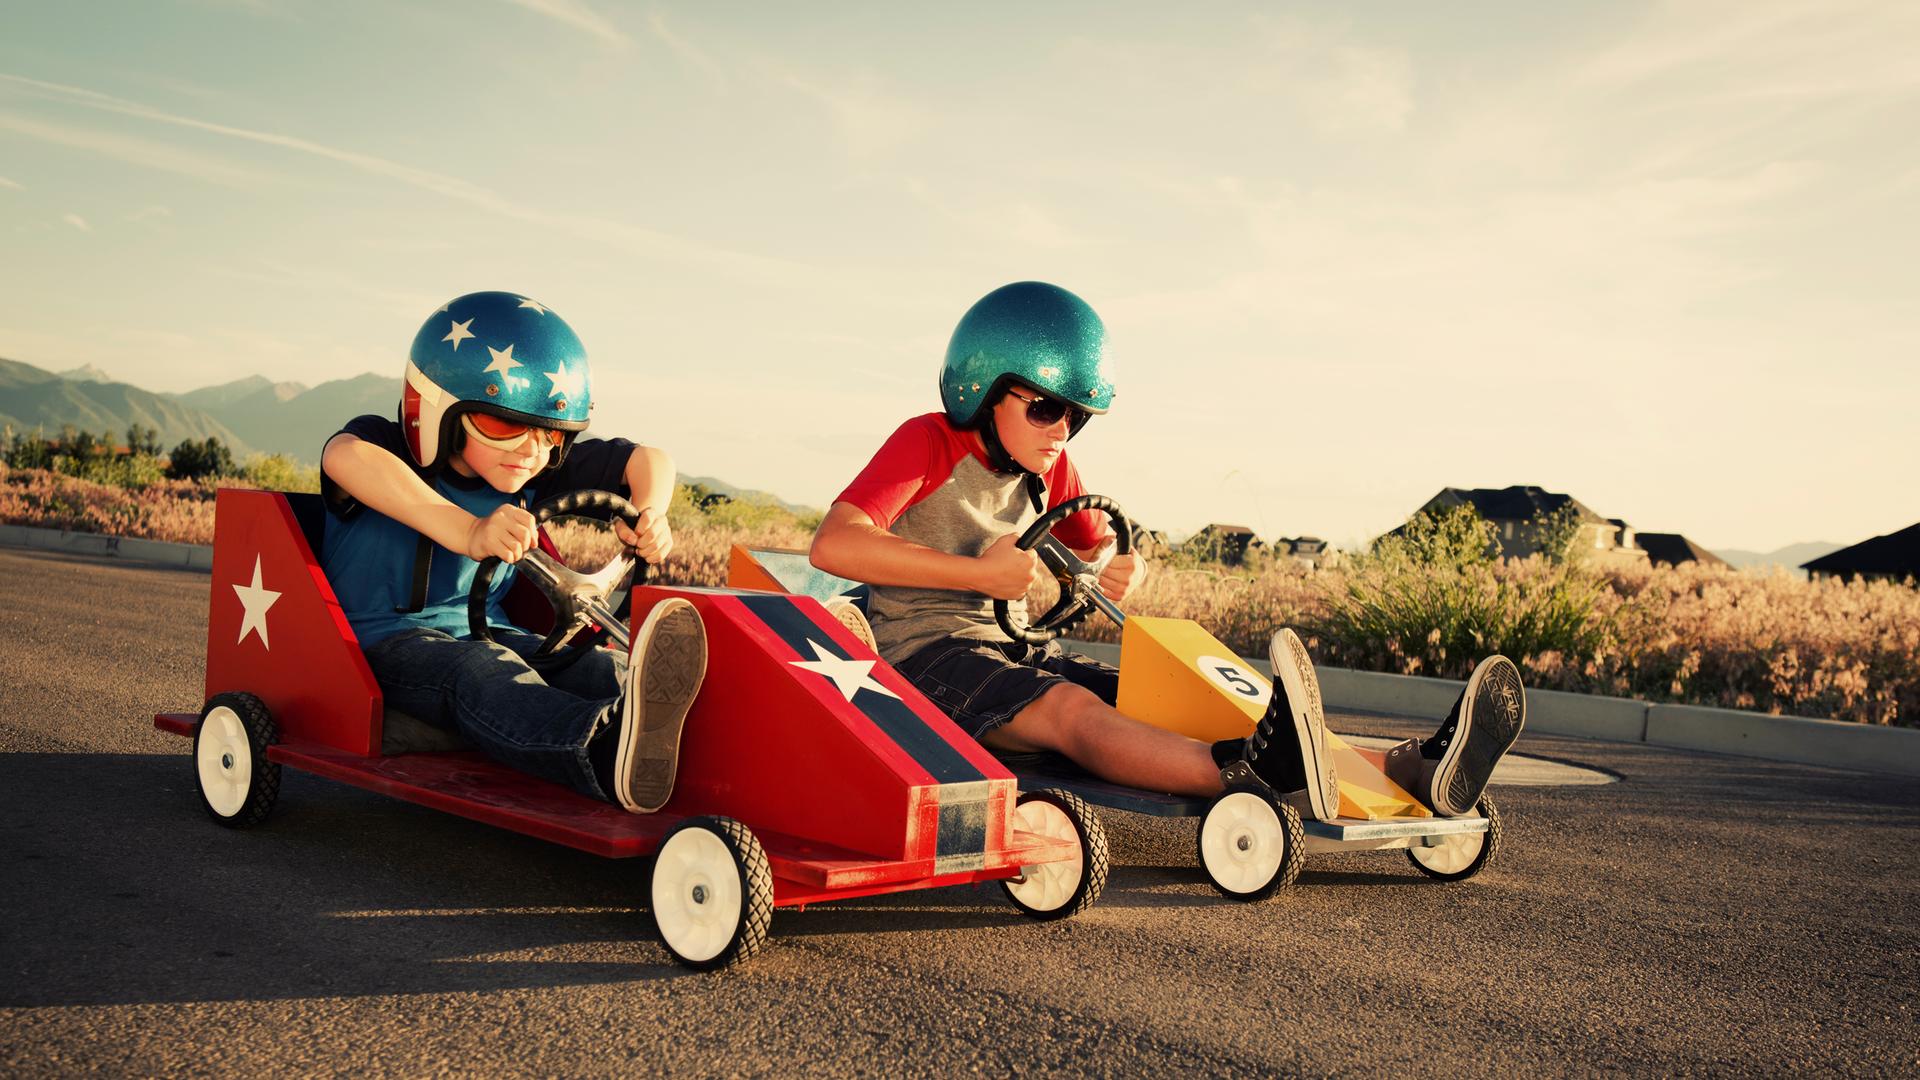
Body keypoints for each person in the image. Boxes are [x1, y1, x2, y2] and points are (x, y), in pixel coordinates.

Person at [809, 281, 1525, 819]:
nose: (1063, 430)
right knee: (1069, 714)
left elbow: (1108, 544)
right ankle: (1242, 774)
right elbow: (834, 545)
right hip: (923, 662)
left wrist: (1127, 570)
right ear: (983, 387)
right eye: (1045, 407)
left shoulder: (1049, 466)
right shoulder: (926, 443)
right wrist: (976, 574)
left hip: (1011, 646)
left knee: (1170, 696)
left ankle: (1413, 767)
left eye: (1078, 417)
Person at [319, 290, 706, 813]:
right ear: (440, 412)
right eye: (504, 426)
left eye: (550, 434)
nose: (532, 450)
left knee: (593, 667)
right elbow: (344, 456)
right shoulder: (383, 446)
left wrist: (650, 512)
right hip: (382, 645)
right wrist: (468, 531)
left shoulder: (530, 469)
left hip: (487, 630)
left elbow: (650, 459)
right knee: (482, 671)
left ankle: (696, 745)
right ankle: (599, 750)